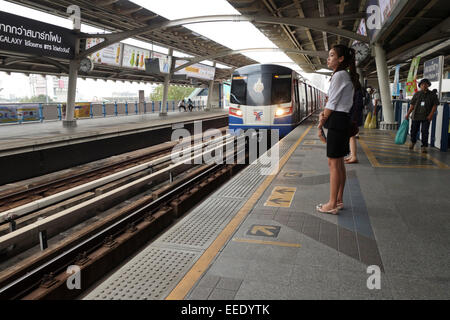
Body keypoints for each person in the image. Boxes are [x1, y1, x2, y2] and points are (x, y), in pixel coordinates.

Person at [316, 44, 357, 215]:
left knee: (333, 163)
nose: (328, 58)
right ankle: (338, 200)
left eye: (332, 55)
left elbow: (331, 103)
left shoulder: (339, 75)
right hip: (342, 121)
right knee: (338, 163)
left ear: (341, 59)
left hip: (337, 120)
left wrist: (321, 122)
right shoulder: (344, 75)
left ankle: (332, 204)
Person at [405, 78, 439, 153]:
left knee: (424, 131)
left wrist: (431, 115)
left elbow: (435, 105)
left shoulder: (432, 95)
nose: (424, 85)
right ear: (420, 86)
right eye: (422, 84)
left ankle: (424, 146)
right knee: (413, 131)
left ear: (428, 85)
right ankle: (413, 142)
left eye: (426, 84)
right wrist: (407, 114)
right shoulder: (416, 94)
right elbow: (412, 105)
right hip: (416, 116)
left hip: (426, 117)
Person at [345, 74, 364, 164]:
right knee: (351, 136)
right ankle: (352, 155)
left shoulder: (357, 91)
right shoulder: (357, 89)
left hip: (353, 117)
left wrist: (353, 119)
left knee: (352, 136)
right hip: (353, 117)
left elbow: (357, 106)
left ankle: (354, 156)